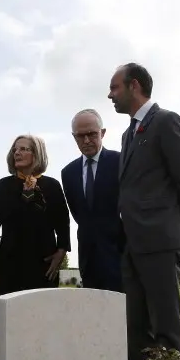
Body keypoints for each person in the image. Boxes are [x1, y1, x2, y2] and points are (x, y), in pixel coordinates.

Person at [108, 63, 180, 360]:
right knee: (136, 329)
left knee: (167, 329)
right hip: (133, 245)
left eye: (114, 87)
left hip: (161, 243)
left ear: (134, 86)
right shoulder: (129, 134)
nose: (110, 94)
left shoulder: (166, 122)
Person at [0, 135, 70, 295]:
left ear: (37, 154)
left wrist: (61, 252)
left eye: (23, 149)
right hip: (11, 261)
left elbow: (63, 223)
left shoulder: (52, 186)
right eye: (15, 149)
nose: (17, 153)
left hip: (45, 262)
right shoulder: (2, 186)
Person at [60, 109, 122, 292]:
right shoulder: (68, 173)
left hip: (121, 256)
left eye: (92, 134)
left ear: (102, 133)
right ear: (74, 137)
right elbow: (79, 215)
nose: (86, 140)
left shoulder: (120, 162)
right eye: (80, 136)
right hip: (88, 258)